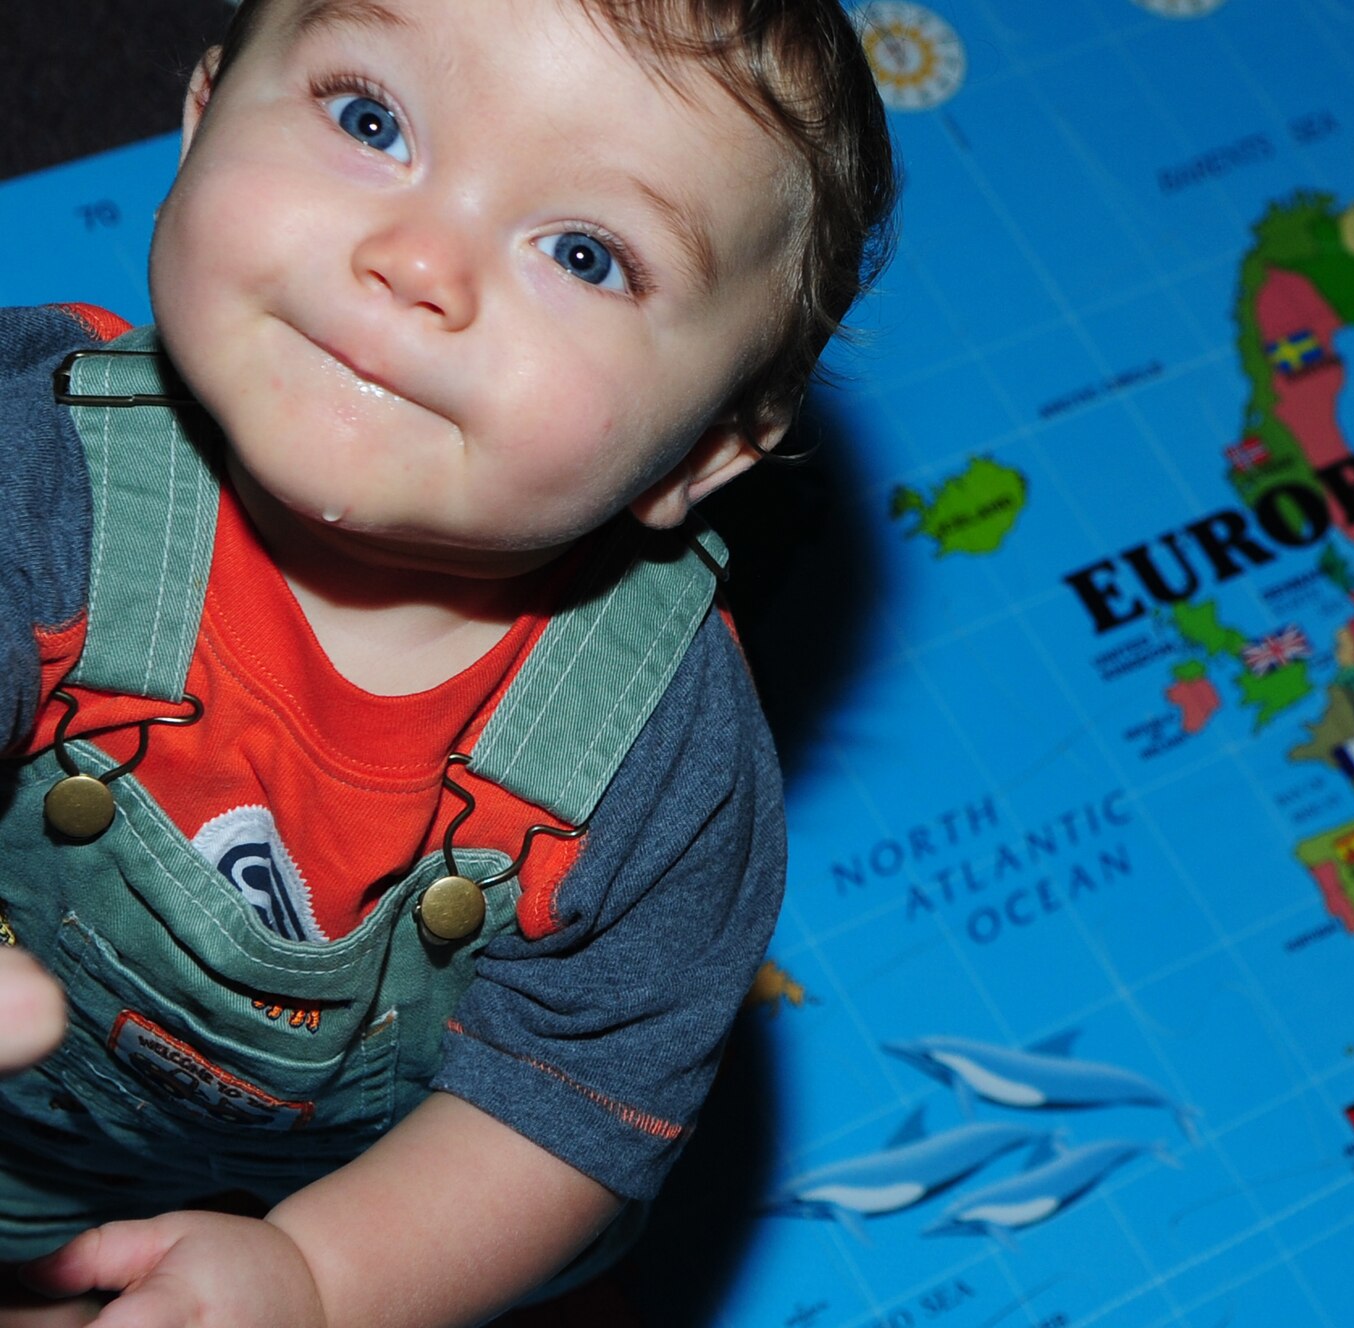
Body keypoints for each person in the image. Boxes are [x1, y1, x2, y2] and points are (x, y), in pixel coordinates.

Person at [0, 0, 894, 1320]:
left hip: (379, 1195)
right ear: (197, 123)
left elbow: (560, 1119)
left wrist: (319, 1279)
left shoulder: (665, 766)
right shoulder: (42, 470)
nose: (423, 261)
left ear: (705, 449)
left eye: (585, 253)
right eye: (372, 121)